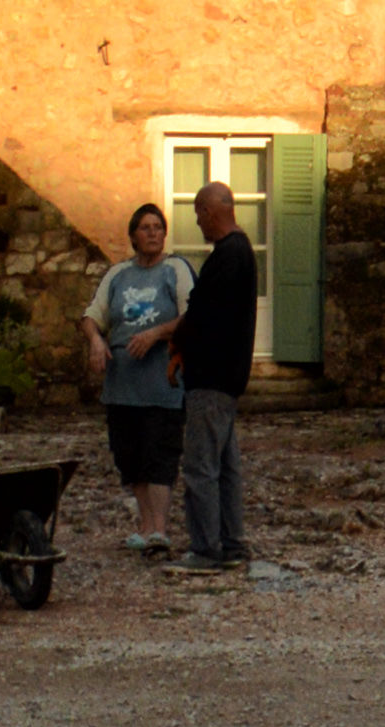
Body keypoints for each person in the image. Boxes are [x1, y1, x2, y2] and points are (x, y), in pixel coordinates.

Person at [168, 177, 264, 573]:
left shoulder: (228, 256)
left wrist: (178, 347)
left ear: (210, 212)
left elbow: (203, 315)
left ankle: (206, 549)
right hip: (227, 376)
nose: (197, 223)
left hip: (211, 376)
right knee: (225, 466)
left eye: (198, 214)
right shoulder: (240, 253)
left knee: (201, 466)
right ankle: (232, 543)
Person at [84, 202, 191, 553]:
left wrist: (156, 333)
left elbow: (192, 315)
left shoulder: (175, 269)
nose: (153, 233)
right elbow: (92, 316)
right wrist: (96, 340)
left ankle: (160, 529)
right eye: (145, 228)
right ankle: (144, 527)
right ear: (133, 236)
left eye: (158, 227)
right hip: (122, 385)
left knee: (159, 454)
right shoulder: (118, 274)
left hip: (162, 383)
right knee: (129, 457)